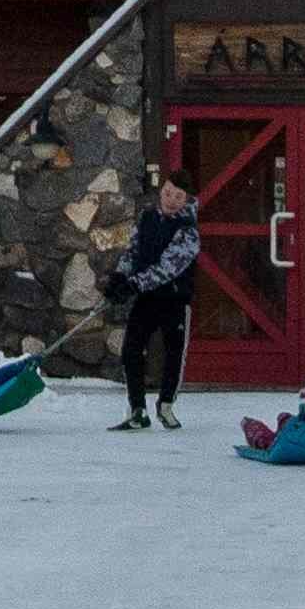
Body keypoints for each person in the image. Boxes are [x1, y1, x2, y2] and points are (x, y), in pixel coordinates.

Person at [103, 180, 203, 427]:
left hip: (174, 299)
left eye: (178, 196)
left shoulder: (188, 230)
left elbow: (167, 268)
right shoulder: (147, 218)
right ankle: (137, 410)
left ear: (186, 200)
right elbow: (132, 251)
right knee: (131, 349)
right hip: (147, 298)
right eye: (168, 193)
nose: (170, 200)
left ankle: (166, 405)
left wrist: (134, 284)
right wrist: (119, 277)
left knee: (174, 353)